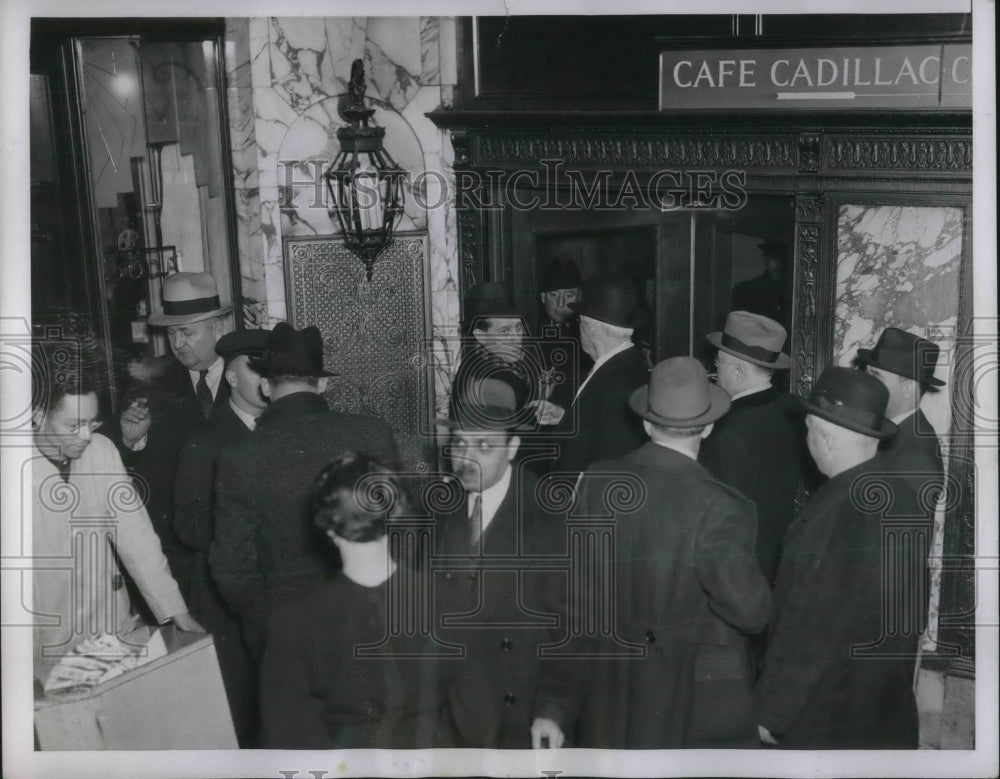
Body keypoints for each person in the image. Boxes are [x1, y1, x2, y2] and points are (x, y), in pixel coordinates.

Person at [532, 357, 772, 749]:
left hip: (606, 695)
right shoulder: (723, 506)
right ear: (708, 427)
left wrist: (554, 704)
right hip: (686, 706)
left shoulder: (597, 480)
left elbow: (573, 604)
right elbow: (752, 613)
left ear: (646, 422)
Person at [210, 322, 399, 660]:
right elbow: (405, 534)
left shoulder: (241, 457)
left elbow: (231, 567)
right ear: (323, 383)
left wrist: (263, 616)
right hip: (373, 621)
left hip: (285, 635)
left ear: (267, 386)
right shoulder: (374, 435)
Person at [755, 366, 922, 748]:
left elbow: (811, 627)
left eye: (809, 431)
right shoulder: (900, 495)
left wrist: (772, 712)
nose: (806, 440)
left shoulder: (838, 512)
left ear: (826, 439)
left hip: (828, 716)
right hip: (881, 707)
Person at [31, 342, 202, 688]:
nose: (85, 436)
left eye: (92, 422)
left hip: (109, 628)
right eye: (73, 425)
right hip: (43, 647)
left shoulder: (102, 451)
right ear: (37, 414)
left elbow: (136, 537)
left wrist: (178, 613)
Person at [259, 452, 451, 749]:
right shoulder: (453, 601)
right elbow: (477, 719)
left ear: (328, 528)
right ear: (395, 513)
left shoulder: (293, 625)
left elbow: (291, 743)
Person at [434, 376, 566, 748]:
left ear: (512, 447)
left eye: (483, 446)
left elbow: (571, 632)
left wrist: (553, 710)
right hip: (450, 713)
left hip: (519, 711)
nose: (466, 459)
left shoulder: (548, 515)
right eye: (459, 443)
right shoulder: (436, 507)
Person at [109, 272, 234, 599]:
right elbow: (121, 462)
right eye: (172, 333)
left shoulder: (249, 372)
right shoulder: (152, 381)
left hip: (237, 542)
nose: (177, 344)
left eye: (187, 332)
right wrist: (131, 440)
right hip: (176, 551)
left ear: (217, 328)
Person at [172, 329, 268, 746]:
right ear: (230, 377)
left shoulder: (284, 430)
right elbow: (189, 523)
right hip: (223, 601)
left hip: (274, 601)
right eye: (257, 370)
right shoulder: (206, 438)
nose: (268, 380)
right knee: (241, 719)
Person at [699, 310, 806, 585]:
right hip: (776, 565)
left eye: (718, 362)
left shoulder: (728, 431)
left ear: (737, 371)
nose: (714, 371)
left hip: (736, 576)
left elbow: (717, 524)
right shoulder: (791, 410)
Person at [548, 269, 650, 478]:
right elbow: (598, 429)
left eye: (580, 323)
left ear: (589, 327)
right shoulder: (623, 368)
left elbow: (614, 464)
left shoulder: (618, 382)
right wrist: (565, 418)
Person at [451, 281, 540, 423]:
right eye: (504, 331)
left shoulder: (475, 361)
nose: (516, 339)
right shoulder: (495, 378)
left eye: (518, 327)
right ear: (481, 336)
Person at [536, 257, 592, 409]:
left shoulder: (589, 329)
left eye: (568, 295)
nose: (560, 303)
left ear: (580, 297)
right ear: (542, 297)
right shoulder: (531, 333)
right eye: (553, 295)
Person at [731, 240, 788, 328]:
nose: (779, 261)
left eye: (781, 256)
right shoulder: (745, 290)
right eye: (772, 256)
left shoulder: (795, 289)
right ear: (765, 258)